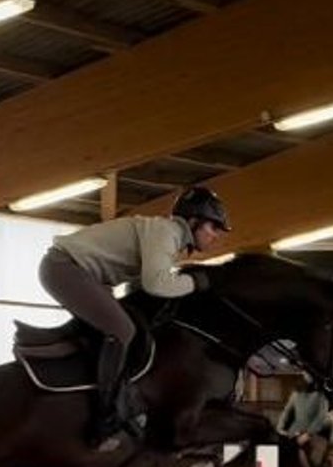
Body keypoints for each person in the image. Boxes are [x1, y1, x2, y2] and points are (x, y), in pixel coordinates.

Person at [39, 186, 231, 448]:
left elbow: (140, 287)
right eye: (214, 227)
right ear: (194, 221)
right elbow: (157, 284)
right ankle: (104, 419)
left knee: (128, 326)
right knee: (122, 331)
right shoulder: (167, 232)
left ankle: (112, 401)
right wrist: (196, 283)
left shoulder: (166, 236)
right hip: (65, 268)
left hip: (81, 273)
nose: (217, 236)